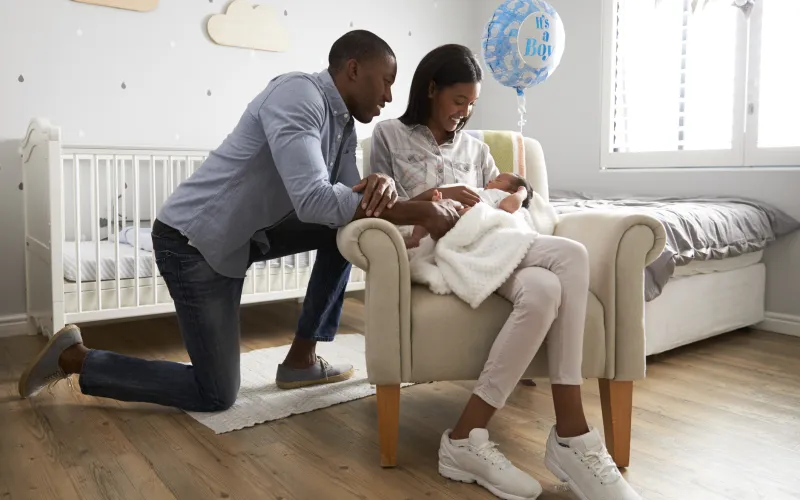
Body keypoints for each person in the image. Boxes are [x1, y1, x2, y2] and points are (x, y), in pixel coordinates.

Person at [17, 30, 463, 412]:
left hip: (243, 240)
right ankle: (75, 358)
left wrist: (415, 197)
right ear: (352, 69)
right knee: (215, 393)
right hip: (192, 244)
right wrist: (417, 209)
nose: (388, 96)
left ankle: (302, 359)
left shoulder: (343, 125)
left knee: (346, 230)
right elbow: (312, 200)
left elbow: (353, 205)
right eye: (386, 82)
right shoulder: (298, 95)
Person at [369, 44, 642, 500]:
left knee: (544, 290)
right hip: (437, 250)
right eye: (459, 101)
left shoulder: (477, 150)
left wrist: (515, 193)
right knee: (571, 256)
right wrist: (438, 196)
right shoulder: (389, 136)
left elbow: (506, 202)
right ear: (431, 89)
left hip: (488, 245)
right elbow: (382, 210)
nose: (465, 112)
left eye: (472, 104)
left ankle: (464, 436)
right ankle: (572, 434)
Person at [404, 172, 532, 248]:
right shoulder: (481, 192)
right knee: (431, 210)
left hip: (473, 214)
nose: (490, 180)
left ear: (511, 191)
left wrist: (522, 193)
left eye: (497, 180)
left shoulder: (504, 196)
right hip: (459, 208)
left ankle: (443, 208)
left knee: (451, 208)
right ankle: (416, 238)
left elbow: (509, 206)